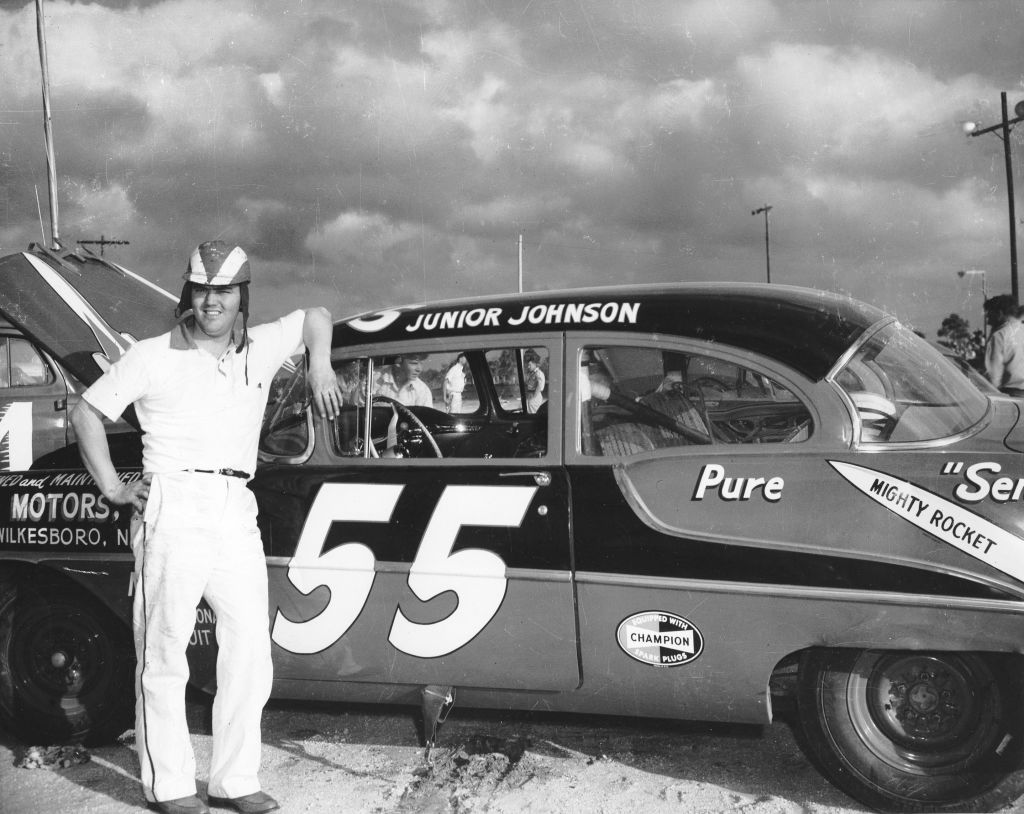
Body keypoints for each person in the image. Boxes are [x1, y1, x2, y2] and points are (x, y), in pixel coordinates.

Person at [70, 241, 342, 814]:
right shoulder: (150, 354)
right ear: (188, 293)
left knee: (248, 651)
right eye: (201, 289)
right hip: (173, 500)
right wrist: (114, 488)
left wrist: (320, 362)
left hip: (235, 504)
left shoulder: (261, 346)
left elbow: (317, 316)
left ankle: (234, 780)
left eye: (224, 291)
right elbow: (86, 413)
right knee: (165, 653)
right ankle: (169, 787)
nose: (212, 301)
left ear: (242, 296)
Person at [984, 294, 1024, 397]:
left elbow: (993, 376)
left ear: (999, 313)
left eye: (989, 313)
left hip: (1012, 395)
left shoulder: (999, 336)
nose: (987, 319)